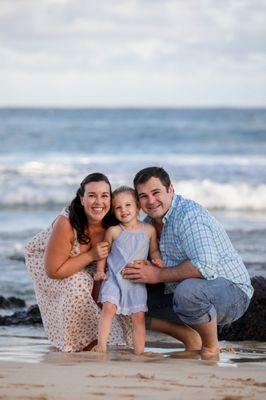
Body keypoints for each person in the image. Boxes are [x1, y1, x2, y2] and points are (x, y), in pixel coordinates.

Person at [123, 167, 253, 359]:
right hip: (183, 291)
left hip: (232, 293)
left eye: (156, 192)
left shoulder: (189, 217)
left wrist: (157, 274)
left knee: (188, 292)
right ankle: (190, 337)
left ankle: (210, 348)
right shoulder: (149, 224)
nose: (150, 200)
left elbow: (204, 266)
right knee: (126, 291)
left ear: (170, 190)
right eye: (144, 196)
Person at [25, 172, 132, 352]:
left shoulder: (114, 221)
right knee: (78, 283)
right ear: (81, 198)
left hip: (87, 264)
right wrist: (91, 255)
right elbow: (54, 270)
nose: (99, 202)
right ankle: (78, 342)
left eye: (104, 196)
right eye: (92, 195)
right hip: (47, 263)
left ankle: (102, 336)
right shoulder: (67, 222)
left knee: (115, 286)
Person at [94, 186, 163, 355]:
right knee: (108, 308)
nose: (123, 210)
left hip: (136, 281)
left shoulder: (149, 230)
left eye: (128, 205)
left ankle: (140, 351)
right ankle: (101, 346)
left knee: (138, 317)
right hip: (114, 278)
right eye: (118, 207)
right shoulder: (114, 231)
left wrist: (156, 261)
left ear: (138, 206)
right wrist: (100, 271)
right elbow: (103, 253)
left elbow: (153, 250)